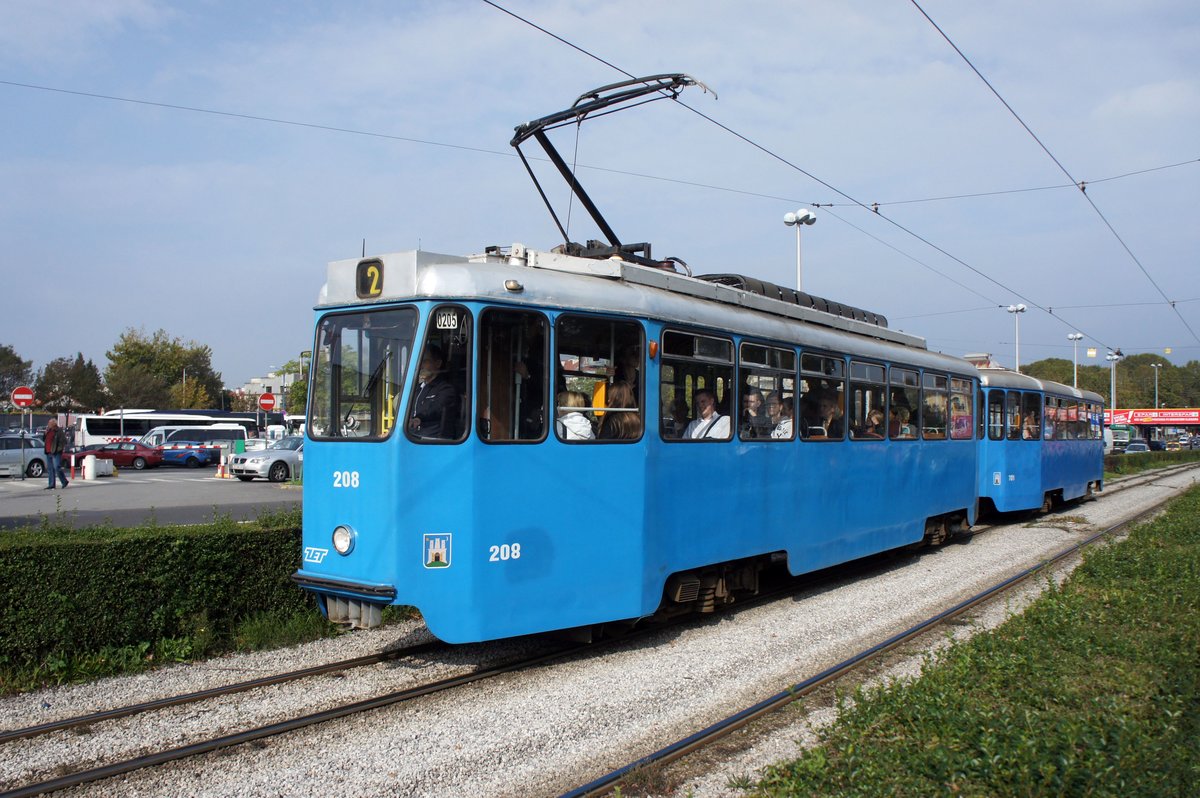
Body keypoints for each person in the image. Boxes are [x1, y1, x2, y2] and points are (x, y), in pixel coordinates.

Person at [408, 343, 459, 439]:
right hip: (414, 437)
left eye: (425, 361)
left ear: (438, 363)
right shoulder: (418, 388)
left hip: (435, 441)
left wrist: (419, 418)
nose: (421, 366)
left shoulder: (446, 389)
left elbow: (436, 408)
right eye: (419, 361)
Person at [43, 418, 69, 489]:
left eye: (49, 423)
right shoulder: (48, 430)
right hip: (48, 452)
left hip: (55, 452)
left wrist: (58, 449)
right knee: (50, 469)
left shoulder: (58, 431)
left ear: (53, 424)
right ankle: (51, 484)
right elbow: (44, 439)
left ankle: (64, 481)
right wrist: (45, 433)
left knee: (57, 467)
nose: (48, 425)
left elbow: (63, 441)